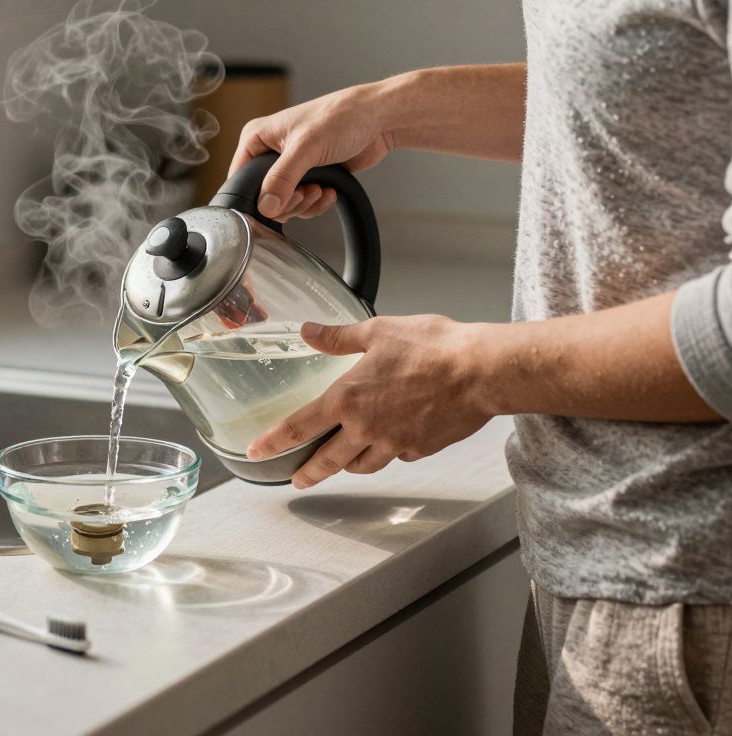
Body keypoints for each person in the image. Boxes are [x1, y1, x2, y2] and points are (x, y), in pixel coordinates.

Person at [232, 4, 732, 734]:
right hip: (610, 566)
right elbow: (667, 90)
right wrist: (388, 111)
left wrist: (473, 371)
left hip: (693, 593)